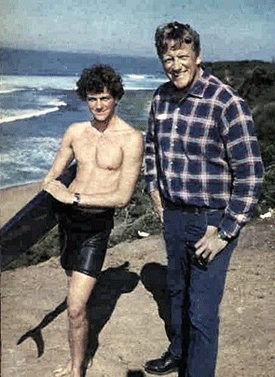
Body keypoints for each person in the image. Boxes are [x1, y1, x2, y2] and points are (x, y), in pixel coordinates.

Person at [144, 22, 264, 376]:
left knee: (201, 313)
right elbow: (151, 147)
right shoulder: (160, 98)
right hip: (175, 216)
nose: (175, 64)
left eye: (182, 56)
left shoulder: (226, 103)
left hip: (211, 220)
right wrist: (153, 188)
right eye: (168, 57)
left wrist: (224, 232)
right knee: (177, 294)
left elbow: (252, 175)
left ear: (198, 56)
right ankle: (178, 353)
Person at [41, 64, 144, 377]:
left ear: (116, 97)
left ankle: (77, 372)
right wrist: (53, 187)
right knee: (77, 307)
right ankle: (77, 360)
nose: (98, 105)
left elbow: (122, 197)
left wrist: (73, 197)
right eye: (92, 99)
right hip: (68, 226)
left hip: (96, 229)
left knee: (74, 307)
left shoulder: (131, 139)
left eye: (104, 98)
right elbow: (51, 179)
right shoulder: (75, 132)